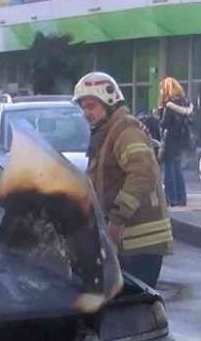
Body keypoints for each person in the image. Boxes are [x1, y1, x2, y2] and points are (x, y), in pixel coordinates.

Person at [73, 71, 173, 288]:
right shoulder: (107, 133)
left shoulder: (125, 131)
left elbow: (142, 174)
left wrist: (118, 219)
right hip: (127, 242)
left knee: (132, 313)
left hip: (139, 241)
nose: (85, 113)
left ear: (109, 102)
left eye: (91, 106)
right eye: (83, 107)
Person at [156, 77, 193, 208]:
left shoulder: (169, 106)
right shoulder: (185, 104)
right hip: (180, 141)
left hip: (169, 140)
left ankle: (171, 198)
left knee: (169, 172)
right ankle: (181, 198)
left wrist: (159, 112)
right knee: (177, 170)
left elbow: (163, 123)